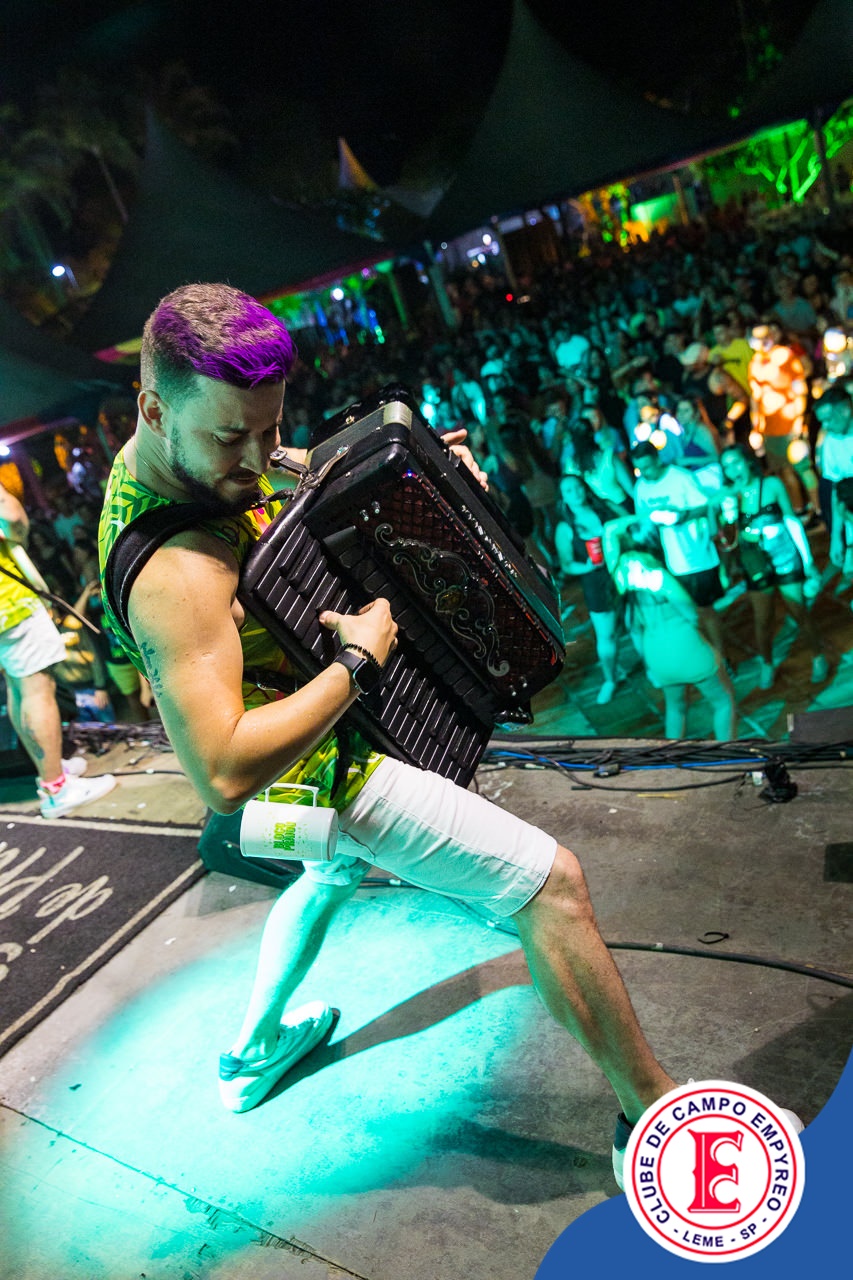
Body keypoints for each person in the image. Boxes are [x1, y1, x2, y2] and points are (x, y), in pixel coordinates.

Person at [98, 282, 681, 1188]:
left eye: (268, 428)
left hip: (303, 774)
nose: (256, 458)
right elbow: (220, 774)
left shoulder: (173, 453)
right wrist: (357, 664)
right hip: (324, 767)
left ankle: (253, 1051)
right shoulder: (174, 571)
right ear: (153, 408)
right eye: (230, 438)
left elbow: (291, 475)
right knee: (551, 887)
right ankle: (650, 1116)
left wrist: (420, 481)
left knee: (326, 875)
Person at [0, 482, 116, 816]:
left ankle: (49, 769)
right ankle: (57, 788)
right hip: (9, 601)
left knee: (18, 687)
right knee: (37, 689)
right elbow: (12, 517)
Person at [603, 519, 736, 741]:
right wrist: (647, 516)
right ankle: (730, 756)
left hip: (656, 654)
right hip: (687, 648)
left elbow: (609, 530)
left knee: (676, 709)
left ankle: (671, 758)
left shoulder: (619, 574)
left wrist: (637, 518)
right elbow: (691, 613)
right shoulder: (659, 575)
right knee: (724, 702)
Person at [716, 445, 827, 689]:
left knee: (798, 610)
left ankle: (818, 656)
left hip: (784, 556)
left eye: (736, 462)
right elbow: (728, 540)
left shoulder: (772, 484)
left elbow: (791, 520)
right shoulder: (729, 495)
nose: (733, 470)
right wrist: (728, 515)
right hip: (755, 562)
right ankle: (767, 663)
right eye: (727, 466)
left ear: (748, 461)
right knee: (762, 618)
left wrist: (807, 561)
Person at [554, 475, 621, 704]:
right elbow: (567, 564)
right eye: (568, 490)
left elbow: (628, 525)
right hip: (596, 581)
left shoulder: (605, 507)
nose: (575, 492)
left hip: (622, 572)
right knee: (606, 634)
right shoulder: (566, 527)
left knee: (636, 624)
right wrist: (588, 566)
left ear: (585, 488)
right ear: (563, 498)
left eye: (578, 487)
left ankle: (652, 671)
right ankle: (610, 680)